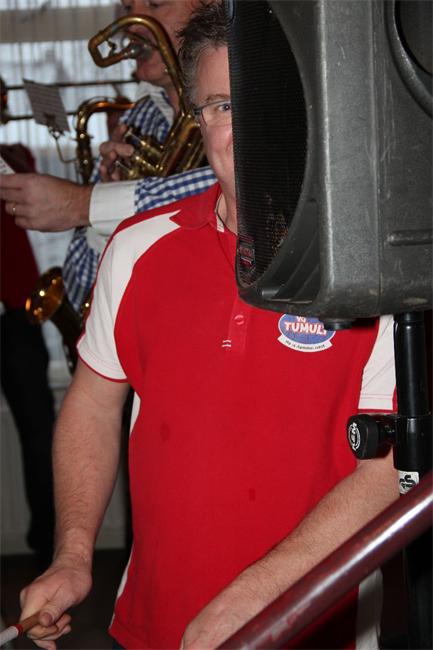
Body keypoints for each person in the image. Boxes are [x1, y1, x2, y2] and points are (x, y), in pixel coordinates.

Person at [18, 4, 398, 649]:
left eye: (265, 101)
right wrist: (73, 555)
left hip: (318, 626)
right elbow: (93, 402)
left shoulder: (377, 267)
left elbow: (388, 468)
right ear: (197, 121)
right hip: (153, 625)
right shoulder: (137, 248)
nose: (245, 129)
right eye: (222, 106)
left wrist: (255, 597)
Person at [0, 0, 216, 314]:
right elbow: (79, 290)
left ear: (214, 6)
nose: (134, 23)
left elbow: (240, 184)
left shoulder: (253, 99)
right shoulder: (140, 117)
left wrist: (85, 204)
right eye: (127, 8)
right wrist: (107, 214)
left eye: (156, 3)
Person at [0, 144, 55, 569]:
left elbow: (24, 178)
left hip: (15, 317)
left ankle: (49, 550)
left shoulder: (12, 154)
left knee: (40, 435)